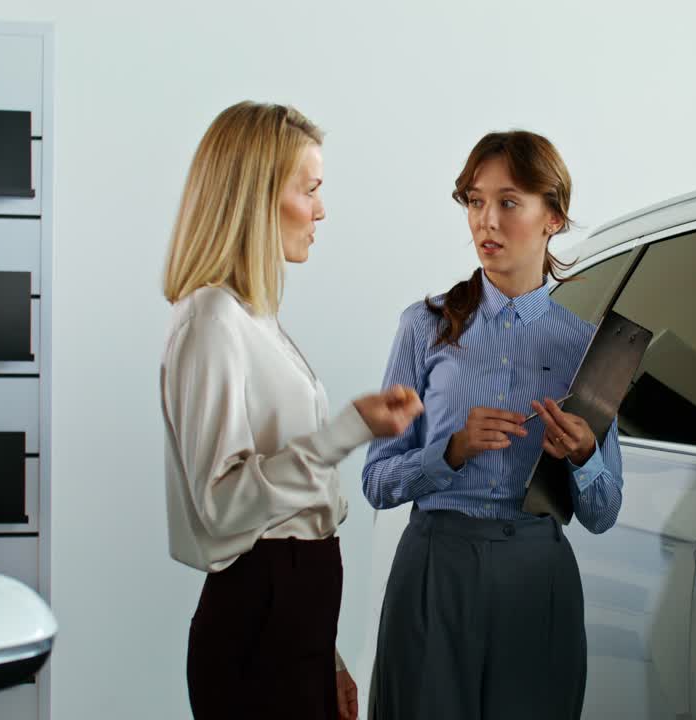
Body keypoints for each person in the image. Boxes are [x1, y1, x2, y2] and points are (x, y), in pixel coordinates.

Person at [159, 101, 423, 720]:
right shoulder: (211, 321)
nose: (321, 210)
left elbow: (294, 519)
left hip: (294, 615)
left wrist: (326, 654)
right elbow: (222, 505)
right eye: (310, 190)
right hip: (262, 621)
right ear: (257, 197)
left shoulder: (255, 319)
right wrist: (350, 430)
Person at [362, 130, 624, 719]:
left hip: (538, 583)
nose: (487, 221)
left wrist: (584, 458)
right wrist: (449, 452)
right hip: (435, 575)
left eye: (509, 202)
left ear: (552, 216)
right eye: (475, 202)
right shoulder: (422, 327)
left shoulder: (589, 350)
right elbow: (376, 482)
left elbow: (604, 515)